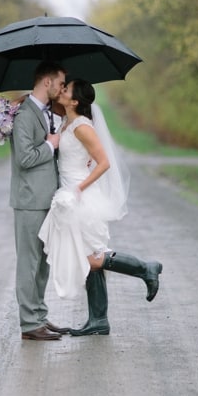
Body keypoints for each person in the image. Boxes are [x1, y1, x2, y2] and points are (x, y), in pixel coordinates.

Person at [37, 78, 164, 336]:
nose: (61, 90)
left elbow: (104, 162)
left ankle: (145, 268)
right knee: (90, 254)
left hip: (82, 197)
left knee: (92, 259)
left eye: (66, 89)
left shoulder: (82, 126)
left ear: (75, 101)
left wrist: (79, 189)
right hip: (71, 195)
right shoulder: (67, 121)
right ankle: (98, 320)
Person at [9, 60, 69, 341]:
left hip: (48, 198)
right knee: (29, 263)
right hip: (30, 200)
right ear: (47, 82)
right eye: (60, 83)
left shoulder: (46, 112)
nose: (62, 88)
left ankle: (40, 316)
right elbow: (24, 159)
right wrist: (50, 145)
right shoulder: (24, 115)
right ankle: (29, 324)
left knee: (43, 263)